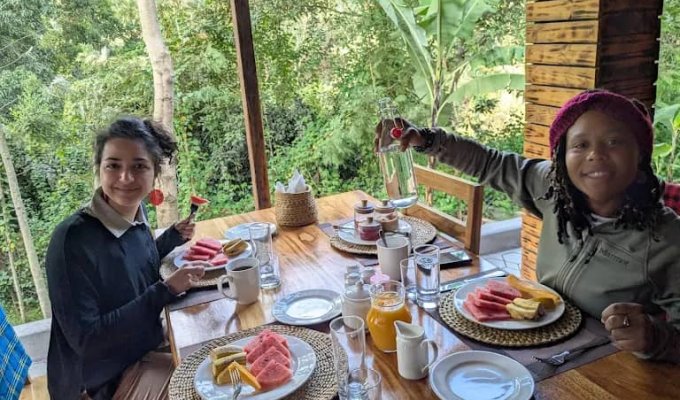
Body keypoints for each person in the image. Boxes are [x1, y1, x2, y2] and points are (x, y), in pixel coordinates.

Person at [377, 89, 680, 363]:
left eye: (614, 142)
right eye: (580, 144)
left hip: (605, 370)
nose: (595, 154)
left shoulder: (667, 239)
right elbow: (491, 163)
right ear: (562, 157)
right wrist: (426, 140)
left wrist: (654, 338)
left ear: (640, 153)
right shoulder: (553, 189)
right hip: (536, 346)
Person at [45, 117, 206, 399]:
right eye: (113, 165)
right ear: (99, 169)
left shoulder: (135, 218)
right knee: (209, 388)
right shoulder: (73, 240)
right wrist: (165, 290)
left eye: (139, 166)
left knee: (220, 355)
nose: (126, 177)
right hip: (103, 383)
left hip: (144, 349)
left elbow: (134, 266)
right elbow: (87, 340)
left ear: (155, 173)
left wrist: (171, 238)